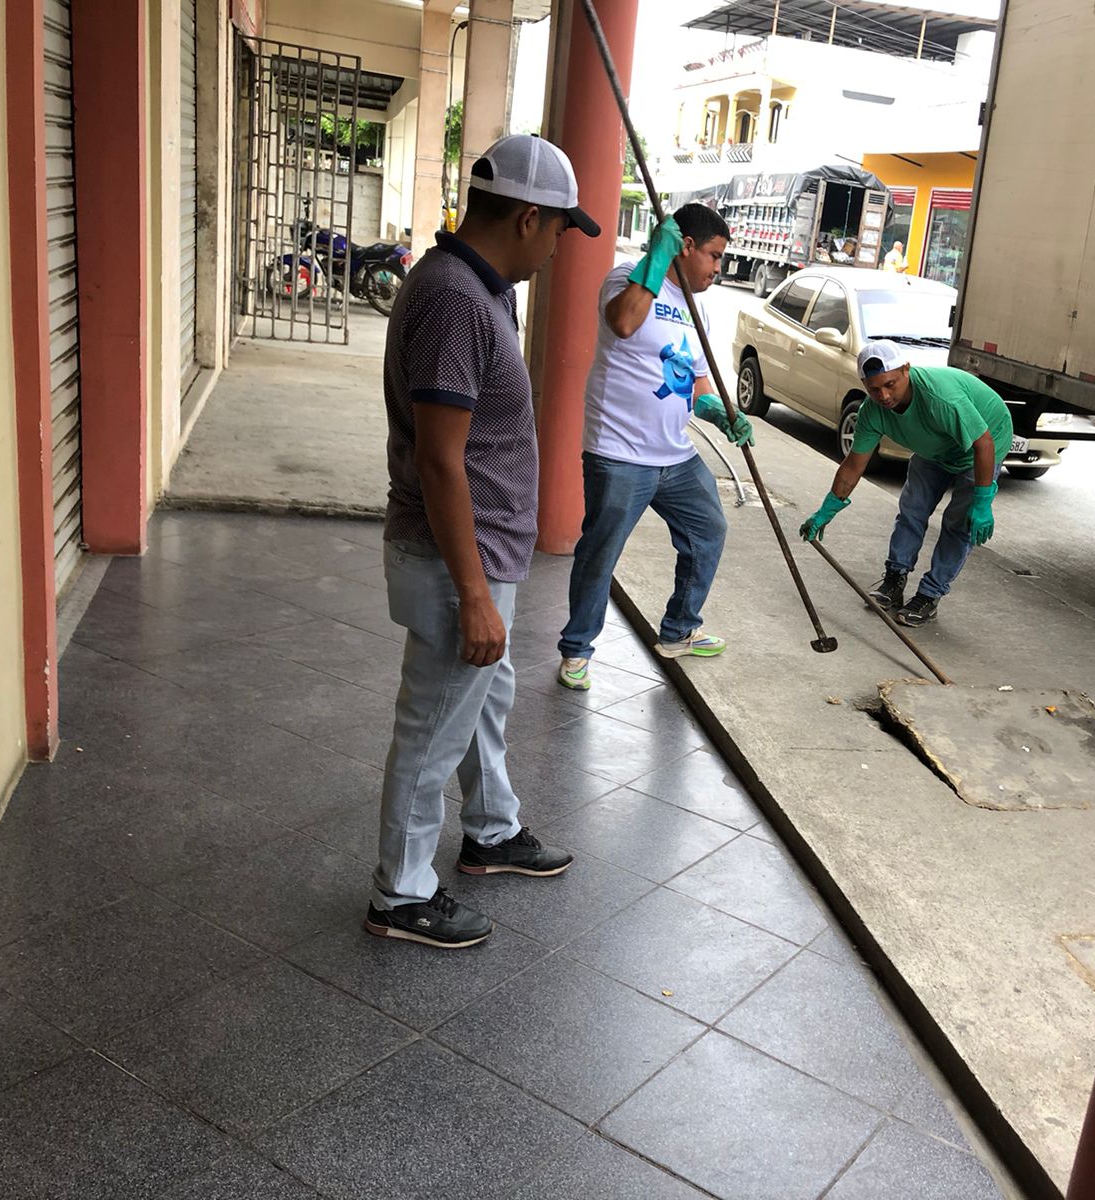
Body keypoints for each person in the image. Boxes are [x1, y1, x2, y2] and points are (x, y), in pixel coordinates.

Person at [366, 135, 596, 950]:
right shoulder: (456, 300)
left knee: (484, 701)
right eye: (560, 228)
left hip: (478, 552)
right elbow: (440, 458)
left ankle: (492, 830)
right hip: (453, 560)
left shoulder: (481, 289)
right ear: (528, 218)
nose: (561, 245)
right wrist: (472, 595)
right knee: (433, 725)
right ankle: (400, 894)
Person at [556, 203, 753, 691]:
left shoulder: (698, 308)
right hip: (619, 452)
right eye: (713, 255)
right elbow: (623, 323)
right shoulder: (626, 278)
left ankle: (679, 630)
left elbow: (698, 380)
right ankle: (577, 648)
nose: (718, 268)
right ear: (685, 246)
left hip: (675, 454)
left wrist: (720, 411)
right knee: (601, 552)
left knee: (708, 529)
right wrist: (657, 257)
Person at [797, 339, 1012, 627]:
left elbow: (983, 443)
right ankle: (894, 579)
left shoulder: (941, 398)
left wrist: (983, 501)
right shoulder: (872, 412)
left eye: (890, 384)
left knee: (958, 524)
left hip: (984, 443)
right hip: (935, 447)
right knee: (912, 509)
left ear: (906, 370)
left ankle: (930, 595)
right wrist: (826, 510)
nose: (884, 395)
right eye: (874, 389)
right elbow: (853, 465)